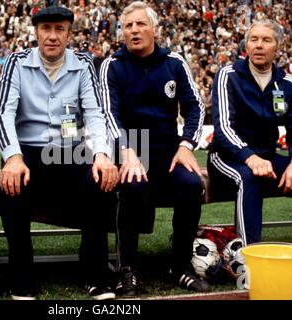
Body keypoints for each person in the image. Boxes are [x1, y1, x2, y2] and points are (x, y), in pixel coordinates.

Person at [0, 6, 118, 300]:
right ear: (36, 32)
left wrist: (101, 154)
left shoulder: (84, 64)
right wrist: (12, 156)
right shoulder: (16, 62)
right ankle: (22, 276)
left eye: (59, 29)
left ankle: (95, 273)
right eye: (46, 29)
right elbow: (3, 115)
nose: (52, 36)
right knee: (12, 187)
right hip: (28, 153)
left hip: (69, 152)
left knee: (100, 181)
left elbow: (96, 114)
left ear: (68, 34)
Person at [99, 1, 208, 297]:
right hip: (132, 149)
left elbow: (196, 107)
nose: (134, 30)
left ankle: (179, 265)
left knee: (191, 183)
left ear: (155, 29)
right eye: (128, 25)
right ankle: (127, 269)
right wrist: (126, 151)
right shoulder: (113, 65)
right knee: (132, 185)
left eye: (140, 24)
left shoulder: (174, 62)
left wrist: (186, 145)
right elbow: (109, 114)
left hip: (168, 149)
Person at [207, 19, 292, 247]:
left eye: (266, 40)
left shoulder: (287, 83)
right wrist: (250, 157)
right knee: (249, 177)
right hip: (226, 158)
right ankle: (248, 256)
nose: (258, 45)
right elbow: (223, 128)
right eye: (253, 39)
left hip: (267, 159)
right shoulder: (228, 75)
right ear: (246, 46)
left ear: (277, 47)